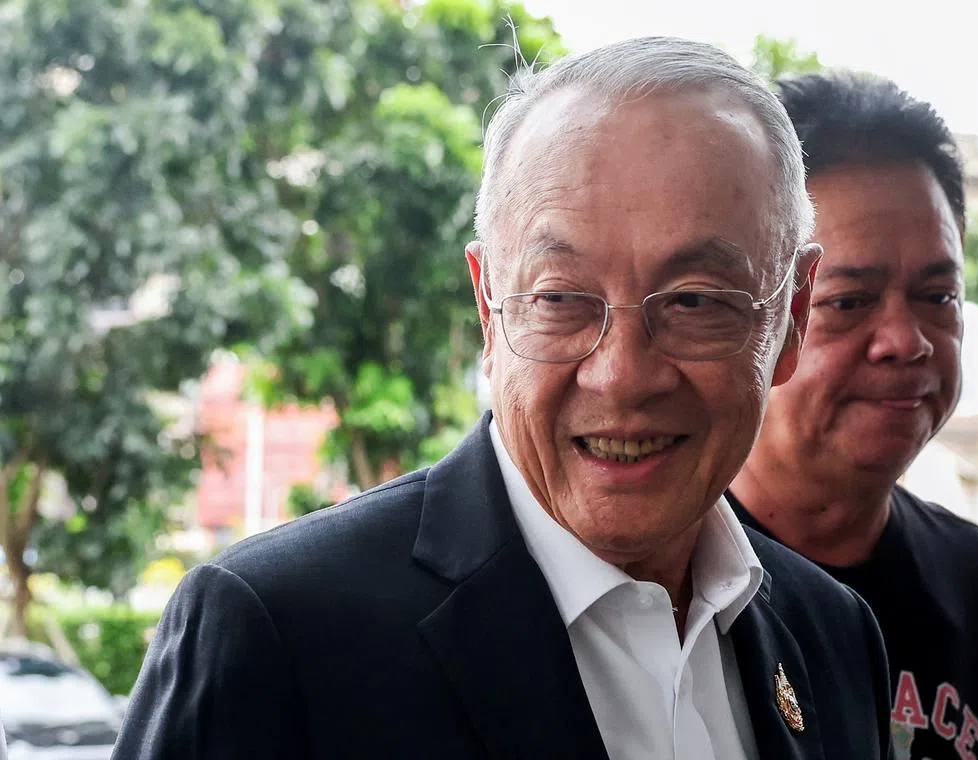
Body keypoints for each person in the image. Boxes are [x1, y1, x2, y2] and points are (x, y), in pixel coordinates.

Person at [113, 38, 892, 759]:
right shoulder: (277, 634)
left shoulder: (832, 637)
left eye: (693, 300)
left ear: (791, 318)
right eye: (560, 298)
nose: (621, 374)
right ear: (489, 307)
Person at [728, 70, 978, 759]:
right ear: (753, 317)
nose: (906, 341)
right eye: (849, 302)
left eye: (938, 296)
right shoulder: (661, 584)